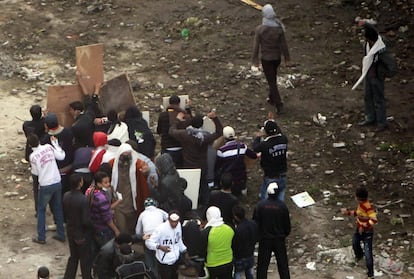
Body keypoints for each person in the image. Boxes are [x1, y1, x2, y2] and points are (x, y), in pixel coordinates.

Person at [169, 112, 223, 208]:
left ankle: (191, 205)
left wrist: (177, 120)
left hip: (188, 165)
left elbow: (171, 131)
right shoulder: (206, 137)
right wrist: (215, 118)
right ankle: (206, 205)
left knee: (190, 187)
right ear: (202, 124)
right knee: (204, 186)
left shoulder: (184, 134)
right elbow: (219, 132)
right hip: (202, 165)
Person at [353, 22, 398, 132]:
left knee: (379, 100)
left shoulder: (381, 49)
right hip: (369, 74)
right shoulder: (369, 45)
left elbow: (392, 66)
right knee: (367, 97)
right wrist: (365, 24)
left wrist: (383, 74)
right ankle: (370, 118)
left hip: (377, 77)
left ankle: (381, 122)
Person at [252, 3, 291, 114]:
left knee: (272, 82)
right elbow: (284, 45)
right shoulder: (279, 28)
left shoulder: (260, 29)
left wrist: (255, 60)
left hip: (266, 59)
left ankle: (279, 104)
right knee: (272, 78)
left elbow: (256, 46)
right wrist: (287, 58)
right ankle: (271, 98)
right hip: (276, 58)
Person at [28, 133, 66, 244]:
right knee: (58, 208)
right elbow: (61, 156)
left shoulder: (33, 157)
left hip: (45, 184)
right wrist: (56, 144)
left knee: (41, 210)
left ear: (30, 145)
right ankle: (61, 233)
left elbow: (35, 173)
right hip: (57, 181)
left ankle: (41, 236)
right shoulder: (48, 147)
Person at [110, 143, 150, 234]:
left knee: (132, 229)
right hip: (118, 204)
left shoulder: (137, 164)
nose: (126, 157)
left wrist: (147, 171)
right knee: (122, 229)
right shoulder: (112, 164)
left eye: (128, 155)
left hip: (131, 203)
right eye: (124, 155)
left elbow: (144, 170)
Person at [253, 182, 291, 279]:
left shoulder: (260, 206)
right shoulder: (282, 206)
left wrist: (258, 236)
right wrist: (284, 234)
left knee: (262, 266)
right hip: (279, 239)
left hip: (265, 239)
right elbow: (287, 225)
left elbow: (255, 223)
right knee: (283, 265)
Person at [341, 187, 378, 279]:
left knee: (368, 252)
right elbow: (358, 214)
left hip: (367, 232)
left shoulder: (367, 207)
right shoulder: (361, 205)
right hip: (359, 229)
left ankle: (370, 274)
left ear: (357, 197)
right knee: (354, 242)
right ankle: (359, 256)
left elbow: (374, 220)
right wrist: (348, 213)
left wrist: (363, 226)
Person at [63, 173, 93, 279]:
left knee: (74, 257)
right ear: (80, 183)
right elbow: (86, 221)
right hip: (81, 233)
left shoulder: (66, 196)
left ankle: (68, 276)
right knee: (85, 259)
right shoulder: (83, 199)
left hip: (71, 230)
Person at [146, 211, 189, 279]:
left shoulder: (178, 226)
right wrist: (159, 247)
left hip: (175, 260)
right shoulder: (160, 229)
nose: (174, 224)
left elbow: (178, 240)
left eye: (176, 221)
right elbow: (149, 243)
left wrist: (184, 251)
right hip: (164, 262)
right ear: (168, 219)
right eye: (172, 221)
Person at [215, 126, 257, 195]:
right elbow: (253, 156)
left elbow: (218, 166)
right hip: (241, 177)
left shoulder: (221, 151)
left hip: (228, 179)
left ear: (224, 137)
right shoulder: (242, 146)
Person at [252, 119, 288, 201]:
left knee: (267, 200)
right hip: (282, 173)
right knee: (281, 194)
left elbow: (255, 148)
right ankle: (280, 209)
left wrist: (258, 136)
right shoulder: (284, 139)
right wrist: (273, 123)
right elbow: (279, 132)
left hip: (270, 175)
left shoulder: (265, 144)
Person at [42, 113, 75, 196]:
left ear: (46, 125)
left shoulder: (45, 140)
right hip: (69, 167)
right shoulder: (68, 132)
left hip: (55, 172)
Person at [135, 197, 169, 278]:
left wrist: (142, 236)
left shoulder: (142, 214)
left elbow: (137, 231)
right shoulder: (160, 211)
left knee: (149, 257)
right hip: (160, 238)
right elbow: (170, 219)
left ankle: (152, 275)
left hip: (148, 238)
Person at [23, 105, 47, 215]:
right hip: (43, 153)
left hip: (31, 153)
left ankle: (38, 209)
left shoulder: (26, 125)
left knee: (36, 184)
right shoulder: (44, 123)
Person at [86, 171, 120, 248]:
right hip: (103, 229)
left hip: (94, 225)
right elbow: (107, 218)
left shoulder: (89, 191)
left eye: (109, 181)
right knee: (107, 250)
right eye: (105, 182)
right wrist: (116, 230)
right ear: (99, 184)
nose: (108, 184)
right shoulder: (101, 198)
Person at [157, 95, 192, 168]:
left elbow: (159, 131)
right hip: (181, 147)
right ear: (179, 104)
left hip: (167, 147)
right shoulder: (184, 115)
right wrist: (188, 109)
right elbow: (192, 123)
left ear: (169, 104)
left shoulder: (163, 115)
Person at [200, 206, 234, 279]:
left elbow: (202, 250)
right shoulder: (229, 229)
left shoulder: (206, 232)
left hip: (212, 264)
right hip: (228, 261)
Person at [232, 205, 258, 279]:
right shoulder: (253, 224)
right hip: (250, 254)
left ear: (236, 217)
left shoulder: (238, 230)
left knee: (238, 274)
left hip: (240, 257)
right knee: (250, 274)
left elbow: (236, 245)